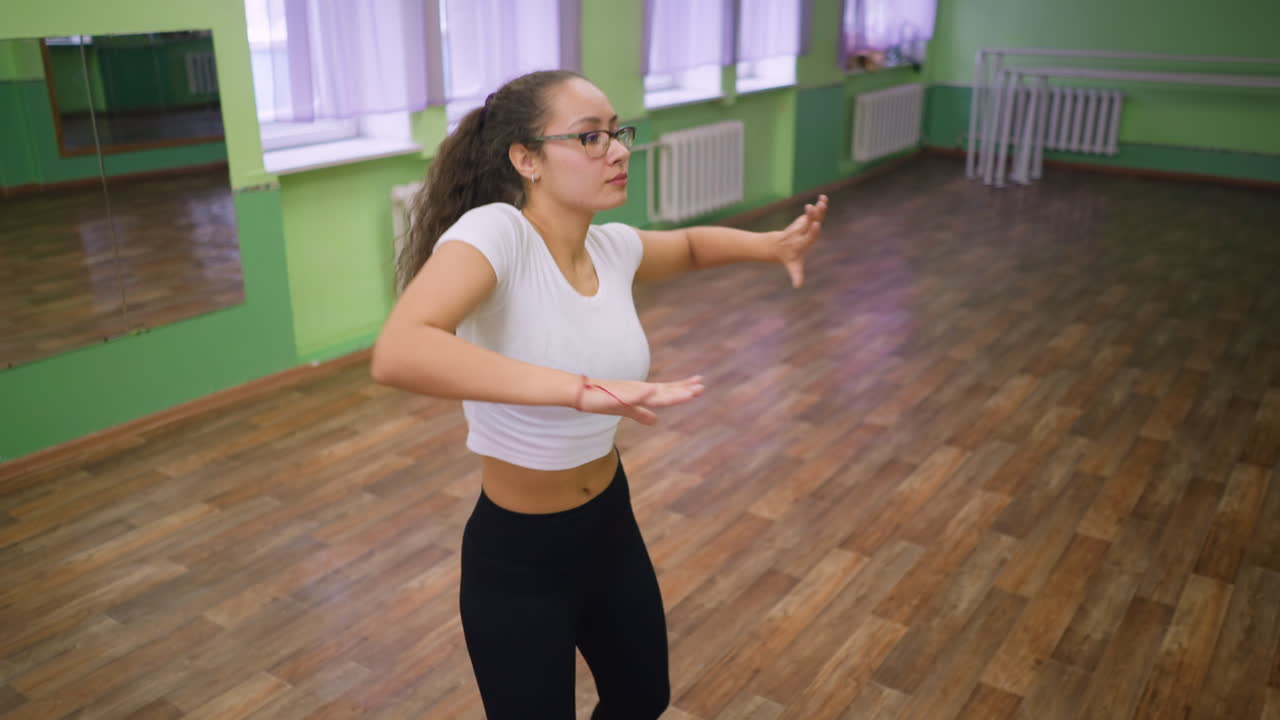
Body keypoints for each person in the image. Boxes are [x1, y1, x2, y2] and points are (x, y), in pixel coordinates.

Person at [371, 69, 827, 720]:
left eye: (617, 133)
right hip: (519, 557)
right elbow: (400, 350)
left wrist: (773, 244)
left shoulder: (610, 248)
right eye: (590, 137)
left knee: (643, 698)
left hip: (610, 527)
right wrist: (575, 391)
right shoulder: (497, 235)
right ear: (525, 159)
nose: (617, 150)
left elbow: (693, 247)